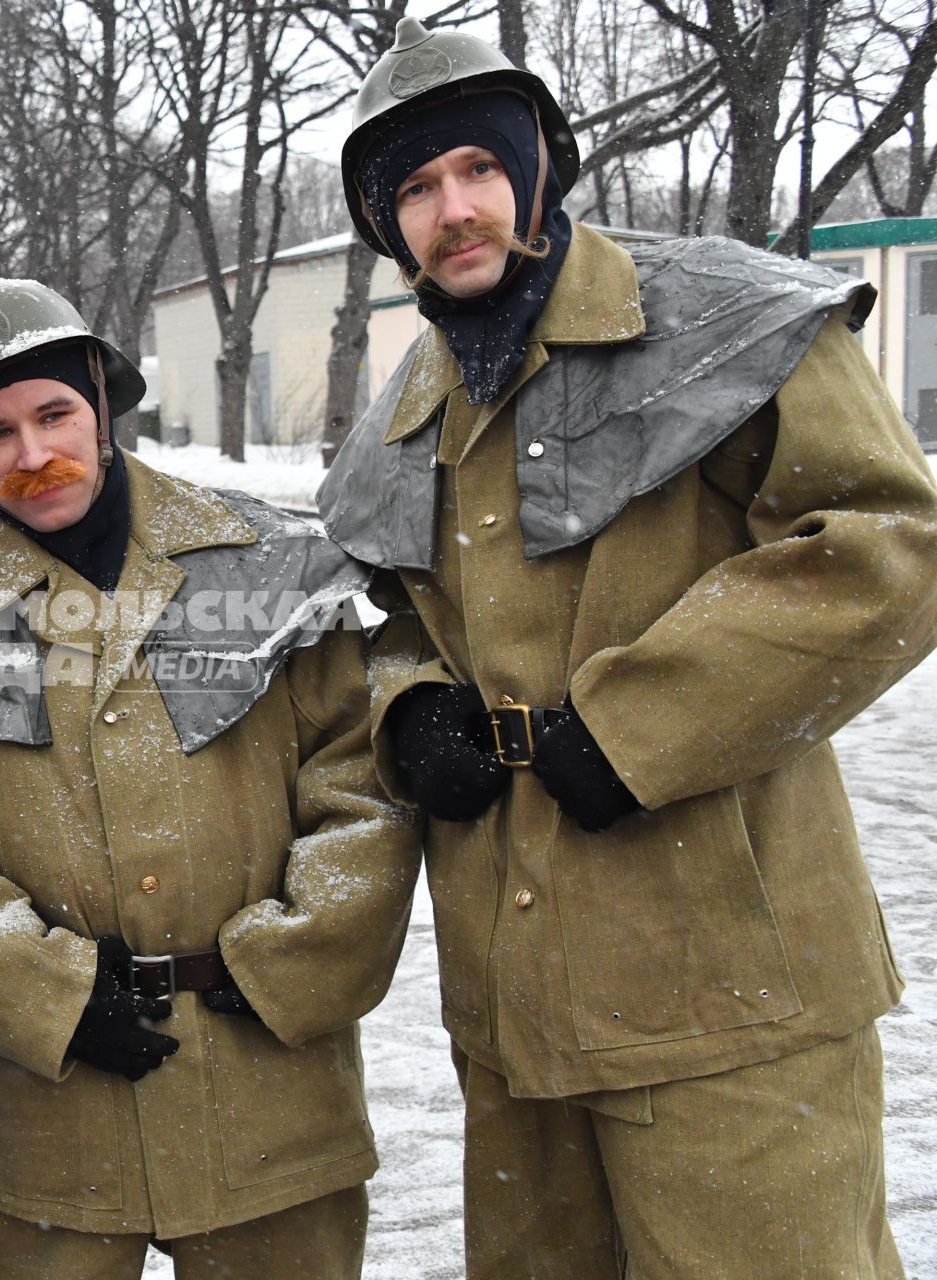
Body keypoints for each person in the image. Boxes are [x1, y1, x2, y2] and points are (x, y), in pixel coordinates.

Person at [319, 18, 937, 1280]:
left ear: (539, 166)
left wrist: (641, 723)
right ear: (389, 228)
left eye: (477, 170)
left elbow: (890, 545)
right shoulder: (401, 416)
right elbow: (377, 625)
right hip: (514, 1007)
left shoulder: (730, 319)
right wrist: (410, 706)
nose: (455, 211)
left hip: (730, 990)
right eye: (417, 191)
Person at [0, 266, 422, 1278]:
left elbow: (361, 782)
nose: (33, 455)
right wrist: (54, 995)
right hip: (48, 1117)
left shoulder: (267, 559)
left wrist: (284, 961)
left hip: (268, 1096)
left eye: (55, 413)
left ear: (104, 405)